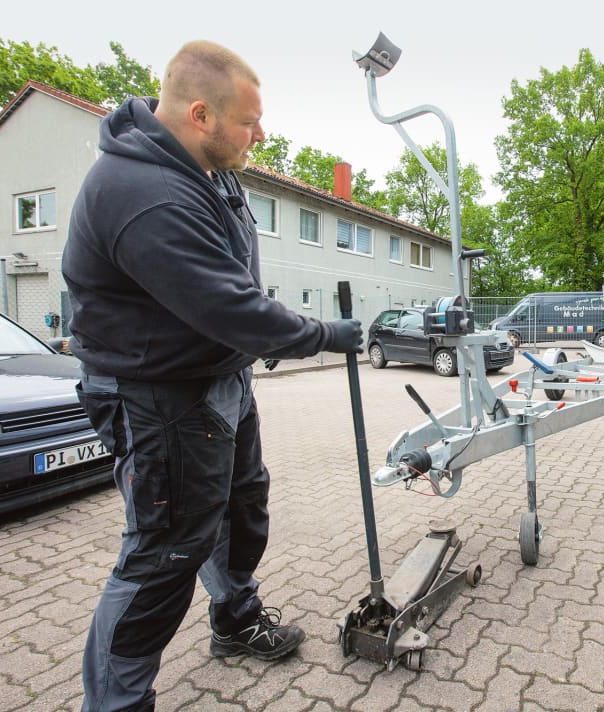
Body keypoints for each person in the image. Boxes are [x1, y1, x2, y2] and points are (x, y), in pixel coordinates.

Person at [61, 40, 364, 712]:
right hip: (158, 398)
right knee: (165, 551)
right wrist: (323, 336)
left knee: (240, 511)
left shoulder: (207, 168)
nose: (262, 133)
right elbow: (230, 306)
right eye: (251, 121)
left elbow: (230, 289)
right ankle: (114, 703)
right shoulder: (142, 193)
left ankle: (234, 617)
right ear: (200, 113)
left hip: (219, 381)